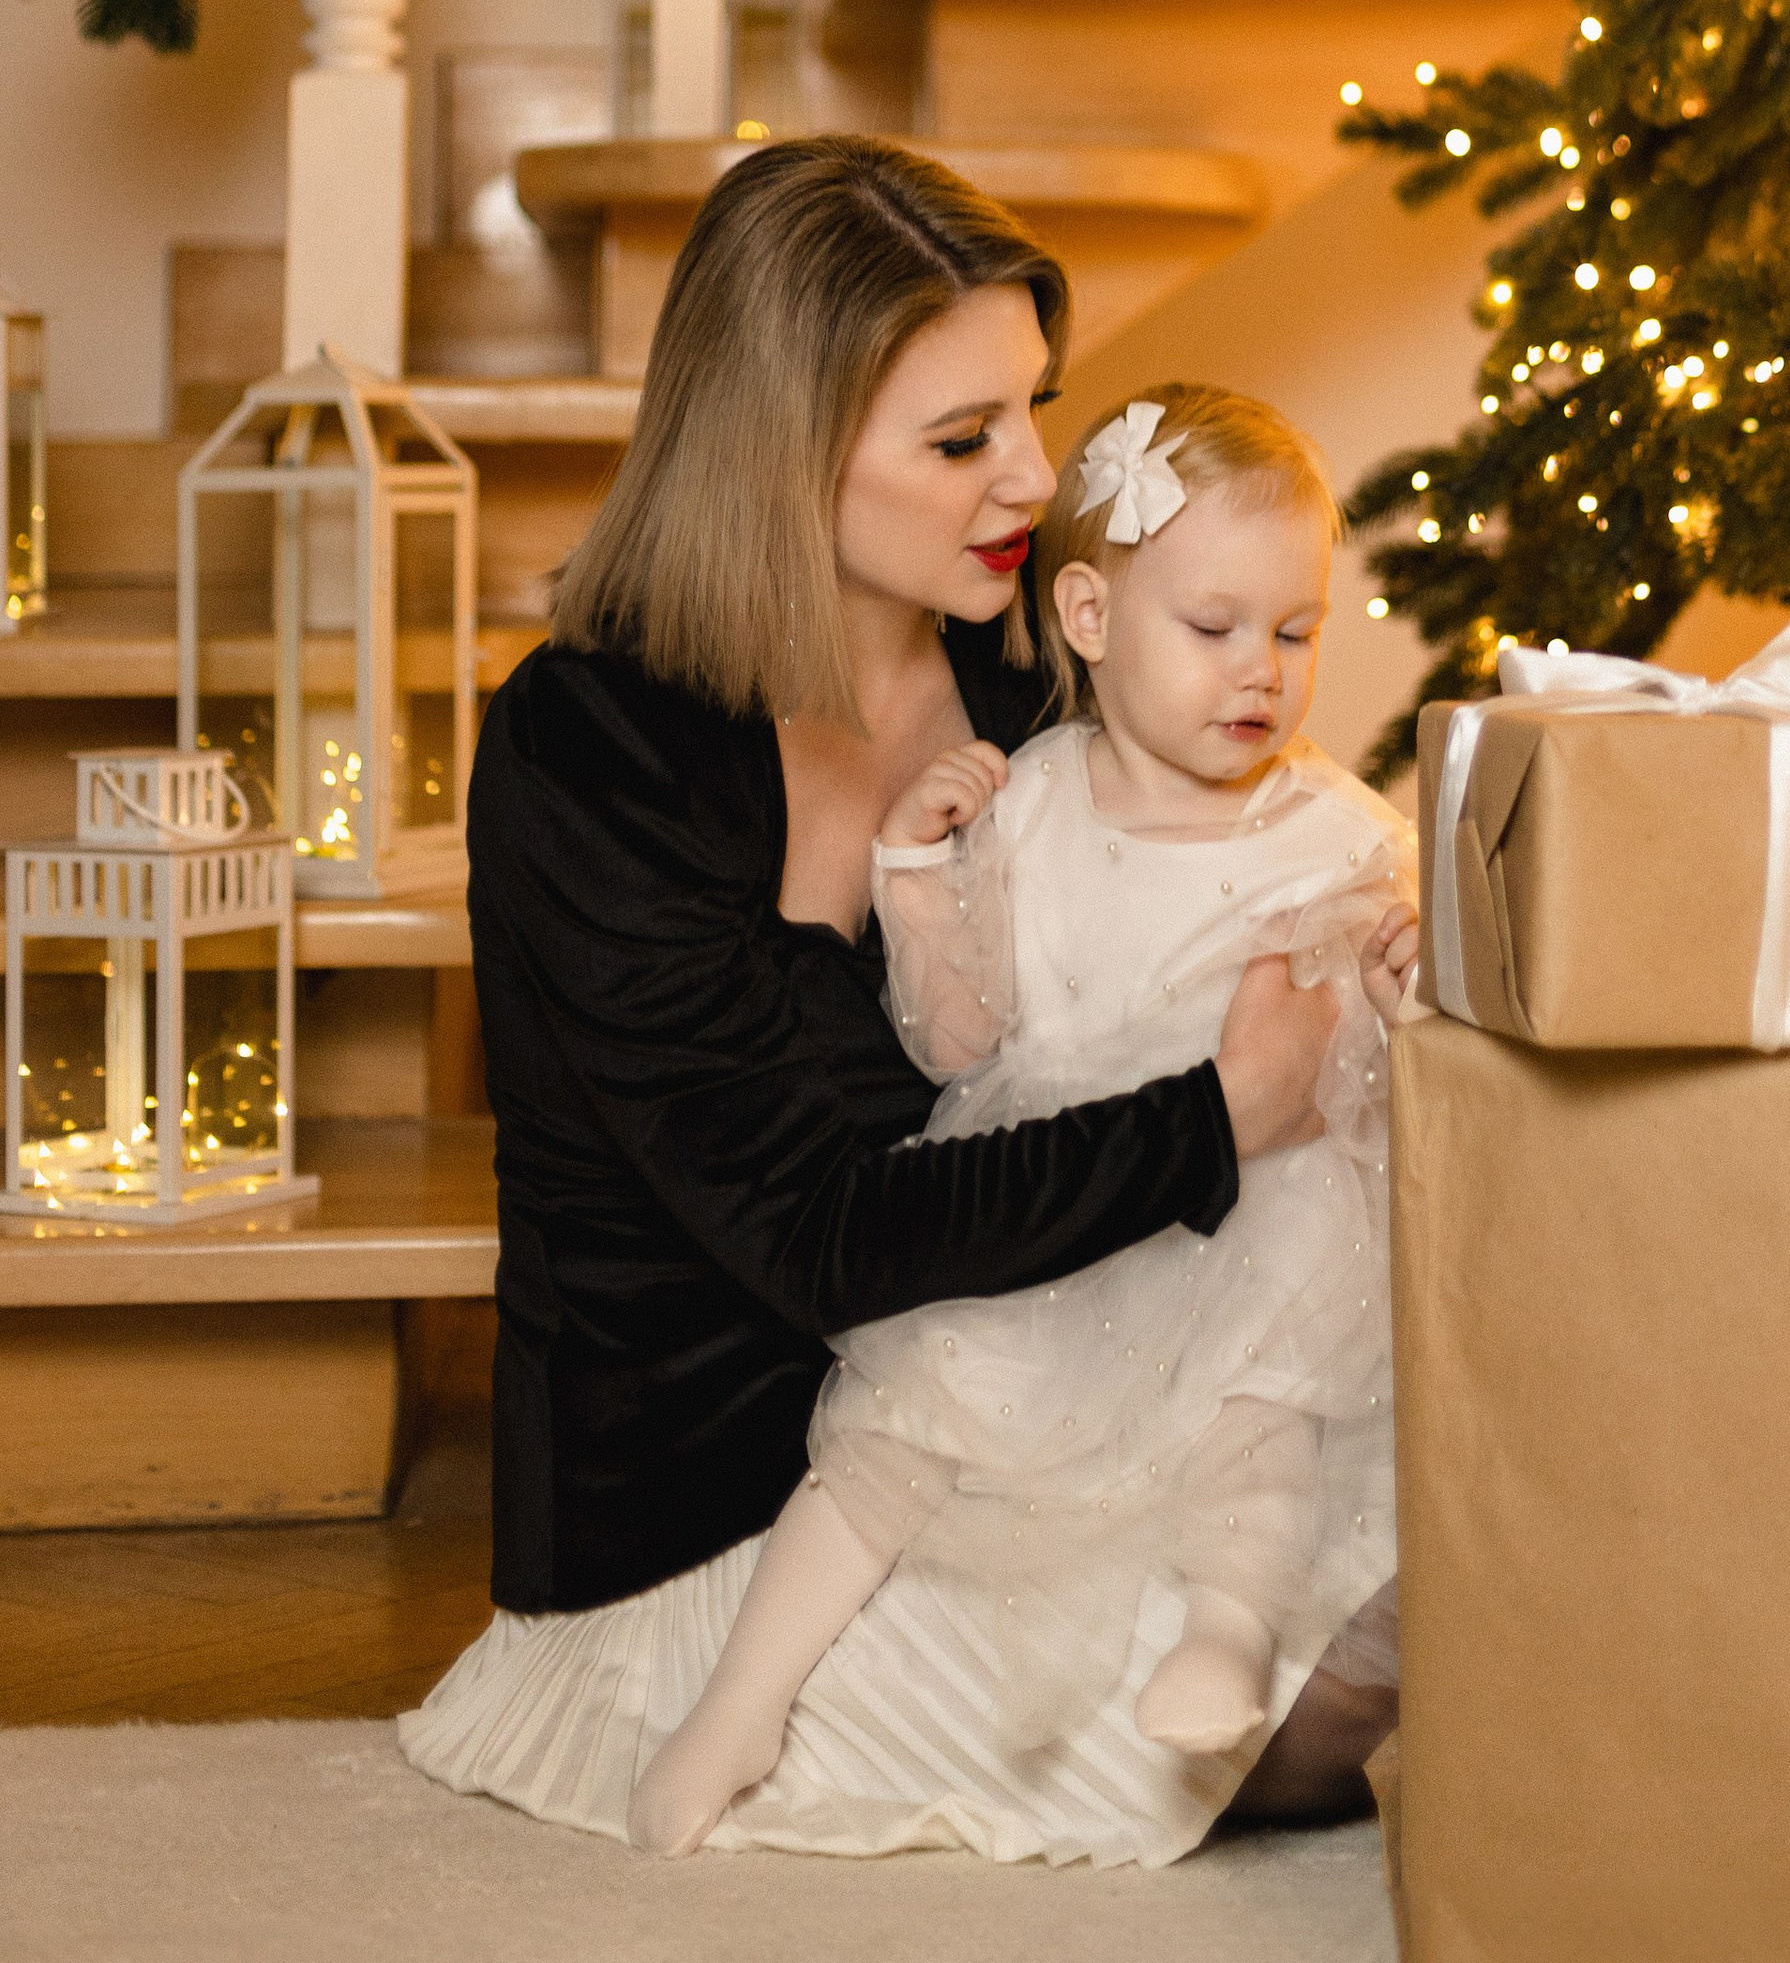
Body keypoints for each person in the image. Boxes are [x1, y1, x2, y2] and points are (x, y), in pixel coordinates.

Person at [399, 140, 1360, 1853]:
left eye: (1036, 410)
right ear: (782, 451)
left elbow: (1210, 878)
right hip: (722, 1517)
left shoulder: (1020, 668)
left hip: (1035, 1420)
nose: (1035, 476)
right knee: (1329, 1705)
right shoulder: (590, 749)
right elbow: (819, 1234)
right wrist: (1216, 1119)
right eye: (962, 438)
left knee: (1433, 1564)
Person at [628, 383, 1419, 1861]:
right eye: (1215, 627)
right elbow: (960, 1041)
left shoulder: (1339, 831)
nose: (1262, 671)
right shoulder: (1035, 800)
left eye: (1297, 632)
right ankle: (739, 1700)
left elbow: (1370, 1060)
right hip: (1052, 1207)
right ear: (1092, 615)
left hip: (1248, 1221)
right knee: (895, 1426)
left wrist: (1399, 977)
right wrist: (920, 875)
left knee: (1278, 1381)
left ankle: (1229, 1637)